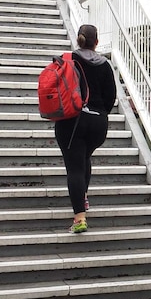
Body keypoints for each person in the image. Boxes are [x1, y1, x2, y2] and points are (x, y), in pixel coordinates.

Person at [55, 24, 117, 233]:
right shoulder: (105, 64)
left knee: (75, 168)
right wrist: (99, 114)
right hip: (98, 123)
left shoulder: (68, 60)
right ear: (96, 42)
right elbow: (111, 97)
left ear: (78, 40)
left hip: (72, 121)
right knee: (84, 158)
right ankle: (83, 198)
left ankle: (79, 219)